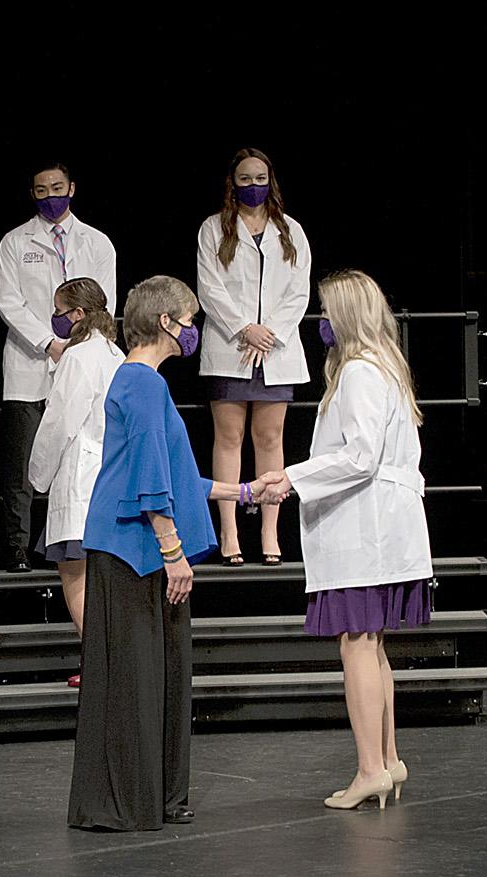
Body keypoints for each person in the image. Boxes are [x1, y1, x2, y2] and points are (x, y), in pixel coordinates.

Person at [68, 275, 264, 833]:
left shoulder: (142, 383)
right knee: (136, 679)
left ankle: (159, 794)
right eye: (188, 318)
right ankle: (129, 799)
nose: (194, 329)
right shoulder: (142, 384)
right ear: (165, 322)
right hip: (135, 549)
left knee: (163, 676)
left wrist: (246, 490)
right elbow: (149, 476)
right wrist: (172, 549)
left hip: (139, 545)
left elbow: (175, 474)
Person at [259, 270, 431, 811]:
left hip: (367, 529)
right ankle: (388, 759)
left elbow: (361, 457)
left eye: (327, 313)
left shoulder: (359, 372)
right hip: (381, 527)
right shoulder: (385, 369)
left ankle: (370, 769)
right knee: (370, 642)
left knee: (356, 642)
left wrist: (291, 477)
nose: (321, 324)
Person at [0, 161, 116, 572]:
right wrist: (50, 342)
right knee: (23, 461)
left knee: (81, 452)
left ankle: (75, 542)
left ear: (72, 188)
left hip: (83, 358)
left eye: (57, 187)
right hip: (31, 361)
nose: (51, 195)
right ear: (33, 194)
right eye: (42, 190)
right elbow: (9, 301)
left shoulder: (97, 243)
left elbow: (104, 301)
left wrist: (77, 344)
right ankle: (18, 545)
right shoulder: (15, 242)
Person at [197, 148, 311, 567]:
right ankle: (228, 531)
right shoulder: (213, 229)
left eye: (260, 178)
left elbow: (299, 291)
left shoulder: (291, 231)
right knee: (228, 440)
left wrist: (271, 333)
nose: (253, 186)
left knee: (270, 440)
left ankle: (269, 531)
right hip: (232, 347)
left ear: (271, 181)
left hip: (276, 351)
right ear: (233, 183)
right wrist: (245, 328)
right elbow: (209, 288)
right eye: (245, 179)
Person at [28, 277, 123, 687]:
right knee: (106, 578)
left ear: (79, 314)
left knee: (75, 575)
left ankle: (101, 666)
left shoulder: (79, 357)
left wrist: (38, 476)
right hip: (112, 477)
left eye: (61, 311)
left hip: (81, 478)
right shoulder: (117, 354)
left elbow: (59, 422)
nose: (57, 319)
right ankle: (112, 660)